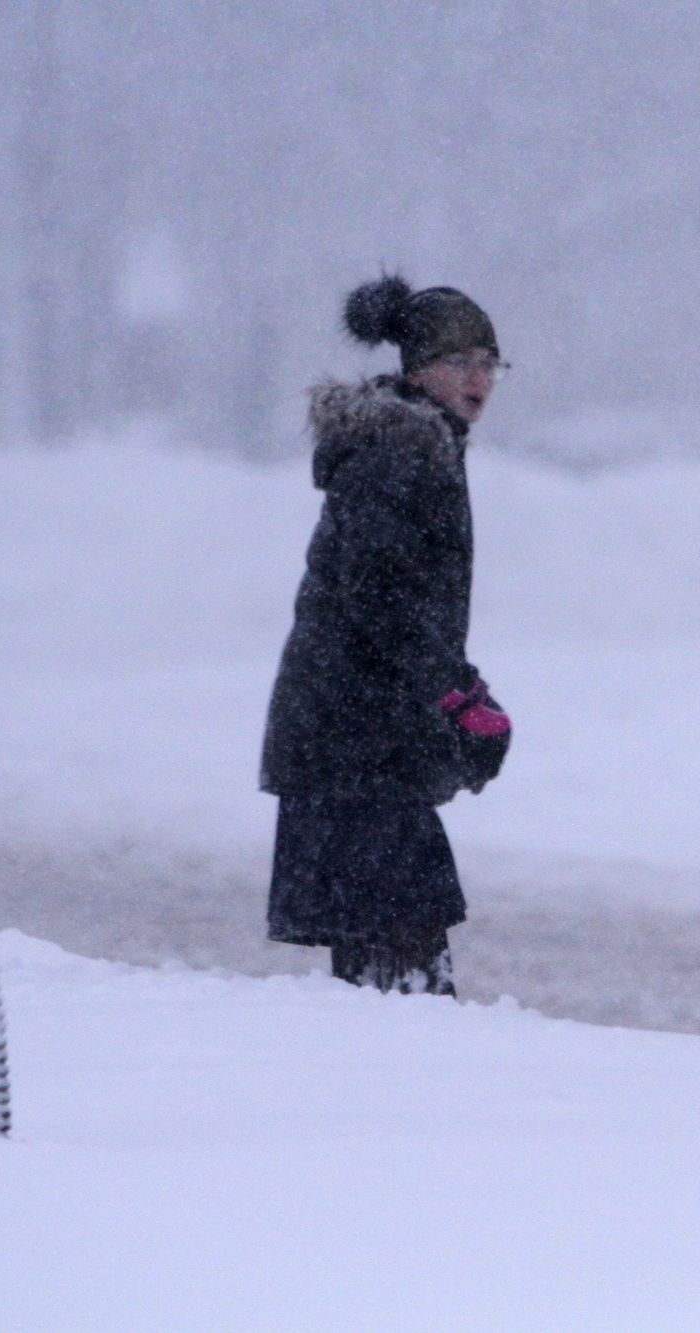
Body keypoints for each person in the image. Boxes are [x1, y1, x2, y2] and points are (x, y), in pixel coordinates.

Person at [259, 274, 512, 996]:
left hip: (356, 738)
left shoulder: (419, 442)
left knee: (389, 961)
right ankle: (401, 1094)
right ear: (417, 369)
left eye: (489, 362)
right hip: (353, 743)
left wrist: (457, 688)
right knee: (399, 969)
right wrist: (456, 697)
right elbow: (383, 604)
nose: (478, 377)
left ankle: (392, 1087)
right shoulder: (402, 452)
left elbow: (403, 607)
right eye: (460, 360)